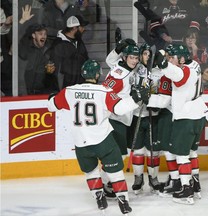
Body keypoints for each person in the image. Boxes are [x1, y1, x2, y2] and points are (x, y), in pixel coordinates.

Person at [47, 59, 149, 215]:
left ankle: (99, 197)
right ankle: (123, 201)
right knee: (115, 172)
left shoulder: (69, 91)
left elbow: (51, 106)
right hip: (103, 141)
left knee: (91, 172)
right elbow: (120, 109)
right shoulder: (104, 91)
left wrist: (52, 97)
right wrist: (137, 98)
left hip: (81, 143)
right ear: (97, 74)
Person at [153, 43, 208, 204]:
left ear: (182, 59)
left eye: (173, 57)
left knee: (182, 156)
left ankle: (186, 190)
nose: (170, 60)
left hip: (186, 118)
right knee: (192, 152)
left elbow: (172, 71)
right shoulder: (195, 65)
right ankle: (195, 183)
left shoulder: (182, 72)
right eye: (169, 57)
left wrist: (161, 59)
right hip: (198, 114)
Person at [101, 39, 141, 198]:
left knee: (118, 153)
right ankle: (105, 183)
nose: (134, 61)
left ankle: (107, 182)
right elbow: (105, 92)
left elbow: (110, 60)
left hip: (124, 118)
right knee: (117, 154)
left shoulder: (121, 66)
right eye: (131, 57)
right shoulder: (119, 75)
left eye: (136, 58)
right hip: (116, 118)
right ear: (125, 58)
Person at [128, 43, 162, 195]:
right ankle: (138, 178)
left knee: (153, 151)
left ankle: (153, 178)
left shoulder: (158, 73)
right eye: (145, 54)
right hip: (137, 115)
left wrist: (156, 104)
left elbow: (163, 93)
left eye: (150, 54)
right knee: (138, 151)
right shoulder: (133, 71)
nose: (147, 57)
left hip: (153, 117)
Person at [47, 15, 89, 90]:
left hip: (80, 88)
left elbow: (86, 60)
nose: (83, 29)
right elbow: (56, 71)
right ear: (74, 28)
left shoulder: (79, 41)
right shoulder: (59, 45)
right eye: (81, 27)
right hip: (66, 90)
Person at [18, 23, 58, 95]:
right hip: (26, 92)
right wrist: (22, 22)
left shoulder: (49, 49)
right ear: (33, 35)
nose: (44, 36)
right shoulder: (26, 49)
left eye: (45, 34)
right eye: (40, 34)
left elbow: (51, 71)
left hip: (45, 92)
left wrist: (50, 71)